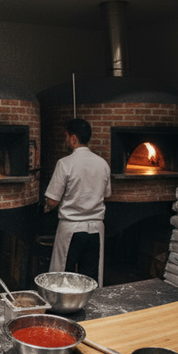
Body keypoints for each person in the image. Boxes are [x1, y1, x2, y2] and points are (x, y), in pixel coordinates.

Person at [43, 118, 111, 286]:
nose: (66, 140)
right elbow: (107, 194)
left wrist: (46, 207)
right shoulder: (102, 164)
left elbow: (52, 200)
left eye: (66, 136)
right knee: (91, 279)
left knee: (62, 279)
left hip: (71, 229)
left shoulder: (65, 163)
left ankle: (63, 309)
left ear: (73, 138)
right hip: (95, 229)